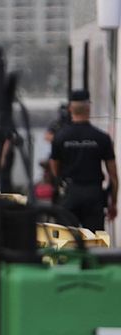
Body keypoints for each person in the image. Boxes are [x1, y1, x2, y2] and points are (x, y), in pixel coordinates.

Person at [49, 89, 118, 232]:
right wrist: (113, 202)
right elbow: (114, 176)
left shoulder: (60, 137)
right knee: (94, 241)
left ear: (70, 109)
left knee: (66, 241)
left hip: (69, 192)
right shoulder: (102, 138)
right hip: (94, 194)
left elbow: (54, 167)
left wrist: (62, 184)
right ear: (89, 108)